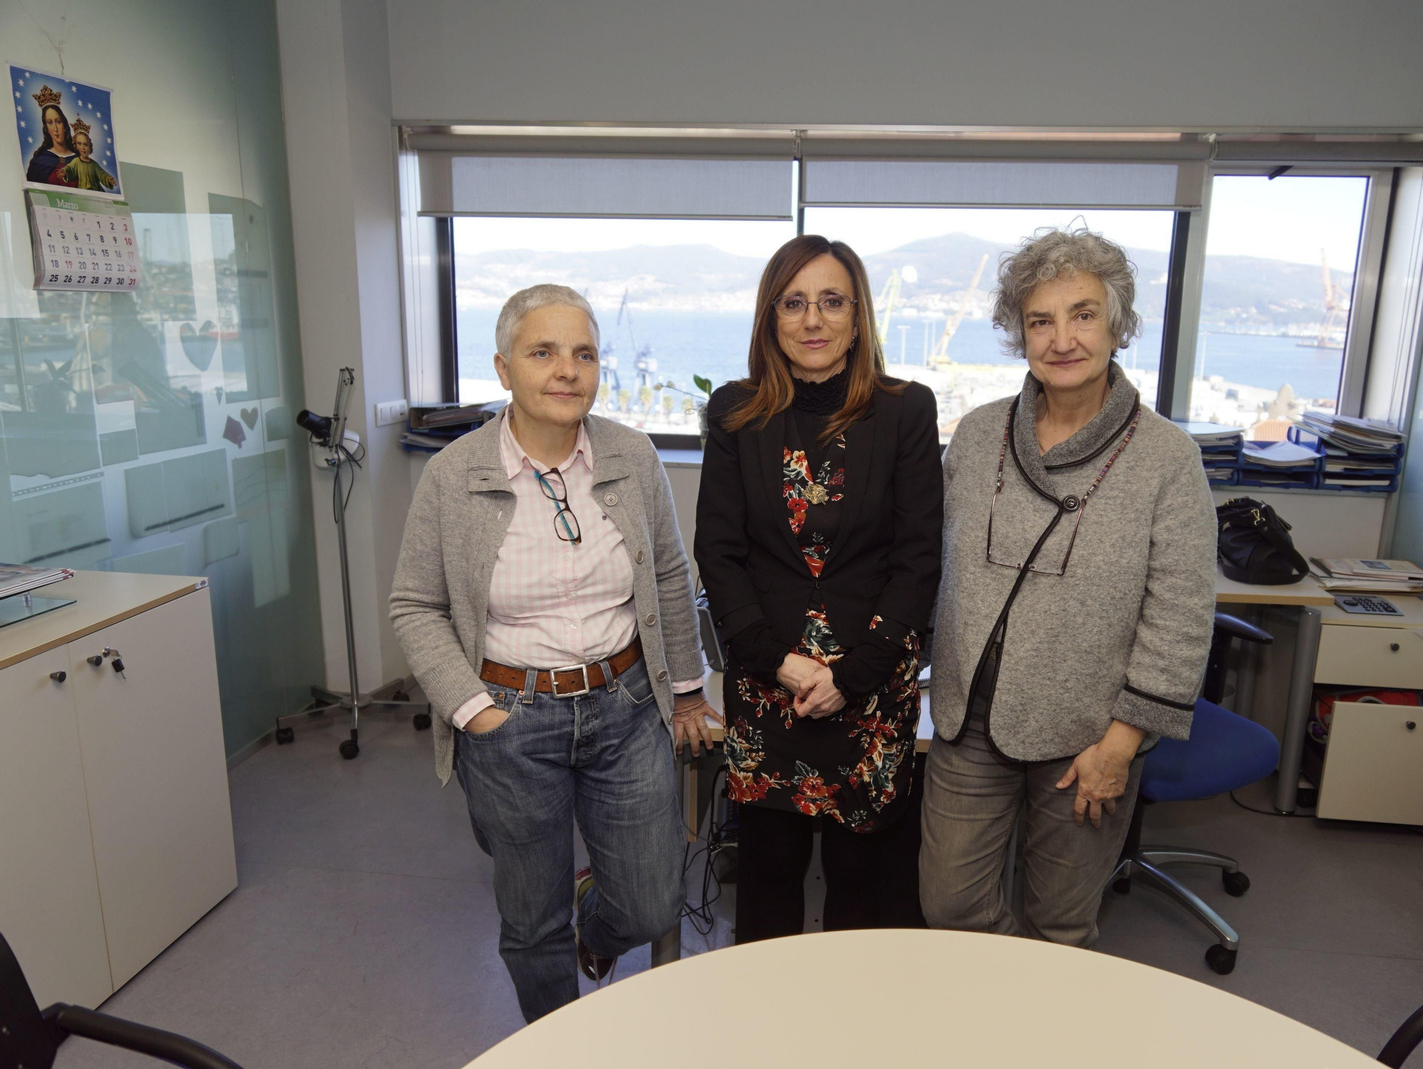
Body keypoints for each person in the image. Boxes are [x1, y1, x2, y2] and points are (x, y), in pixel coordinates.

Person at [390, 284, 719, 1023]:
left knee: (649, 901)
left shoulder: (631, 454)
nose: (567, 370)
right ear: (504, 368)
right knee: (534, 925)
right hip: (509, 719)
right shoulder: (454, 474)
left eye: (584, 354)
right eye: (543, 352)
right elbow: (414, 604)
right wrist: (473, 711)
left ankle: (593, 925)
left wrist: (687, 689)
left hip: (626, 705)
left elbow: (670, 573)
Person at [919, 225, 1215, 947]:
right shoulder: (978, 436)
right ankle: (1006, 996)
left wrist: (1121, 744)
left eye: (1082, 314)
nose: (1062, 339)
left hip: (1088, 728)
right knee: (949, 906)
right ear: (1019, 334)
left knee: (1059, 925)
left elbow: (1180, 616)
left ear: (1116, 325)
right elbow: (934, 566)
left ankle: (1041, 1007)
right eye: (1040, 320)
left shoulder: (1167, 458)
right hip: (970, 717)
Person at [696, 235, 943, 942]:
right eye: (794, 303)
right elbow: (719, 550)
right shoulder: (736, 411)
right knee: (767, 878)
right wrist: (776, 660)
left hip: (870, 688)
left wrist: (853, 676)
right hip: (768, 682)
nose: (813, 319)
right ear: (770, 317)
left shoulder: (906, 410)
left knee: (862, 882)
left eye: (832, 301)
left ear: (858, 317)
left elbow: (918, 558)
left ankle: (853, 1010)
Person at [25, 97, 76, 185]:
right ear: (46, 128)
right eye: (50, 122)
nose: (55, 129)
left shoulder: (78, 159)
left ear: (64, 125)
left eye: (58, 122)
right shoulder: (40, 160)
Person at [62, 127, 118, 192]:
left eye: (85, 144)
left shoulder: (94, 164)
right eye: (79, 144)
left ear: (90, 147)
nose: (83, 148)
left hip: (96, 191)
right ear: (76, 146)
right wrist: (65, 172)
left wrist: (108, 178)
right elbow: (70, 168)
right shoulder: (76, 161)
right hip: (83, 191)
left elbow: (102, 174)